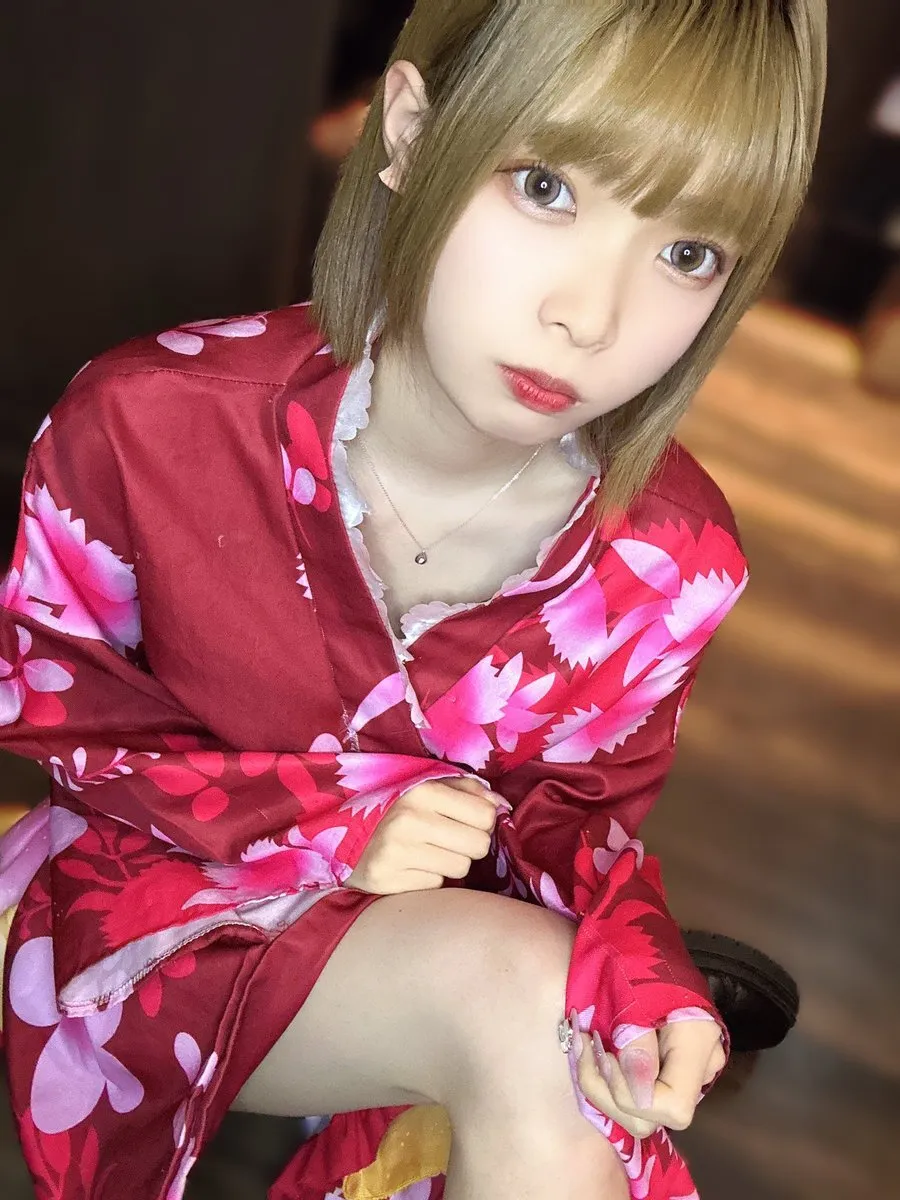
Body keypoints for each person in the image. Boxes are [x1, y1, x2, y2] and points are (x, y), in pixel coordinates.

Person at [0, 2, 827, 1198]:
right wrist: (328, 821)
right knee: (532, 1018)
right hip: (149, 894)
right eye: (546, 188)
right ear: (408, 132)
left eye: (688, 254)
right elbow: (61, 713)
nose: (590, 318)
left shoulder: (670, 555)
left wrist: (643, 974)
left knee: (557, 1027)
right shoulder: (148, 422)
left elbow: (578, 816)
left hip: (443, 952)